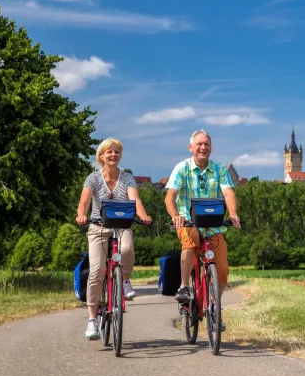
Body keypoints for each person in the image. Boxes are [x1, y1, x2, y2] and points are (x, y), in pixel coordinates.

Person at [164, 128, 241, 332]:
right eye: (199, 144)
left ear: (211, 148)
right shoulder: (182, 168)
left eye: (206, 144)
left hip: (214, 224)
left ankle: (214, 307)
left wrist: (232, 213)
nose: (203, 147)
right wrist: (175, 216)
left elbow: (228, 193)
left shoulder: (219, 169)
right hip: (188, 222)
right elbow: (170, 196)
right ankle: (184, 286)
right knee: (189, 242)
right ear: (191, 147)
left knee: (222, 268)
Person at [76, 137, 152, 340]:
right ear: (101, 156)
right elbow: (84, 202)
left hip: (122, 225)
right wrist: (81, 215)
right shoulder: (93, 178)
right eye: (109, 152)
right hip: (98, 227)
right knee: (96, 271)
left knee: (126, 249)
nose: (113, 155)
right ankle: (92, 319)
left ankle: (125, 279)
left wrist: (143, 216)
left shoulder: (127, 178)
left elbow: (135, 199)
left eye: (117, 151)